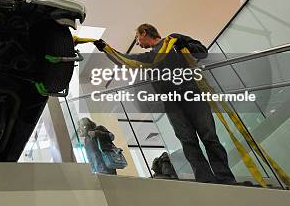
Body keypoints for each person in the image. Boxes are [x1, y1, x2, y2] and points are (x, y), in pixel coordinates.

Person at [95, 24, 236, 184]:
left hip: (192, 95)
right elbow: (127, 61)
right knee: (188, 142)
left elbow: (202, 52)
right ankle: (205, 180)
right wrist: (105, 48)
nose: (138, 44)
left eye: (137, 39)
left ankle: (225, 178)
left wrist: (186, 44)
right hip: (172, 105)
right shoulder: (149, 59)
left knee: (209, 137)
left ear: (144, 32)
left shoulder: (174, 40)